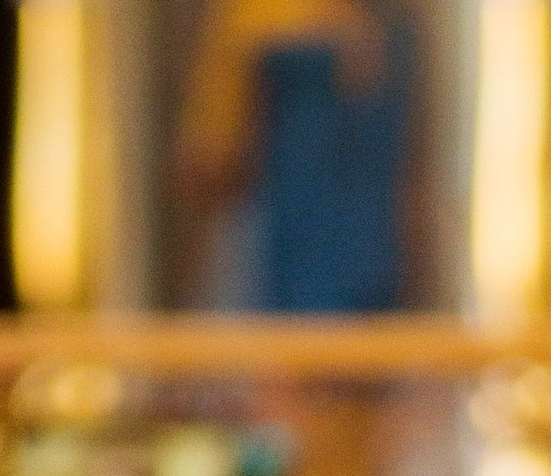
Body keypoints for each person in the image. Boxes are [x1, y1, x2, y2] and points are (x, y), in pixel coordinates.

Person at [179, 0, 418, 314]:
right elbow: (212, 147)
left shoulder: (385, 21)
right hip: (279, 215)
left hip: (357, 222)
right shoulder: (255, 17)